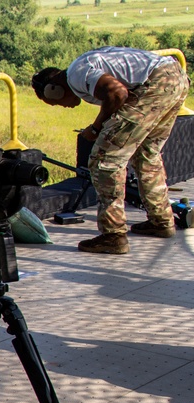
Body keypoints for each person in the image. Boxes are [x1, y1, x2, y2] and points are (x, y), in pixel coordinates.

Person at [32, 47, 190, 255]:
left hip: (156, 83)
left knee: (104, 161)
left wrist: (97, 128)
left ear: (54, 90)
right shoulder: (82, 67)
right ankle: (161, 221)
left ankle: (113, 236)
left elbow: (117, 93)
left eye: (51, 102)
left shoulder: (77, 74)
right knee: (147, 154)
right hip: (175, 78)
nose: (58, 106)